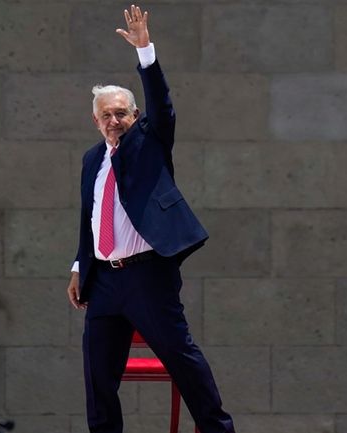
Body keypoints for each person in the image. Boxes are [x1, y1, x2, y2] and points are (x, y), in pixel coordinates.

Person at [66, 5, 235, 433]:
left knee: (182, 357)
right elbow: (90, 217)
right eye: (105, 115)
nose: (114, 121)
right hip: (103, 281)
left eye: (121, 113)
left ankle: (218, 428)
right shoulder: (92, 160)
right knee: (97, 376)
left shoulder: (150, 141)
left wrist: (146, 52)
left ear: (134, 116)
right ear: (95, 120)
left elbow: (163, 106)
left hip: (147, 276)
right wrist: (78, 266)